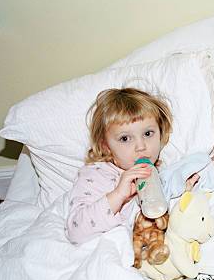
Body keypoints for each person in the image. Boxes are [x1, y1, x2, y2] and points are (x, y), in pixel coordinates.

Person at [66, 87, 173, 244]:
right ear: (105, 146)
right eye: (125, 138)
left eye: (148, 134)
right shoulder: (97, 174)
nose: (141, 146)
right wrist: (118, 195)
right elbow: (75, 232)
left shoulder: (160, 171)